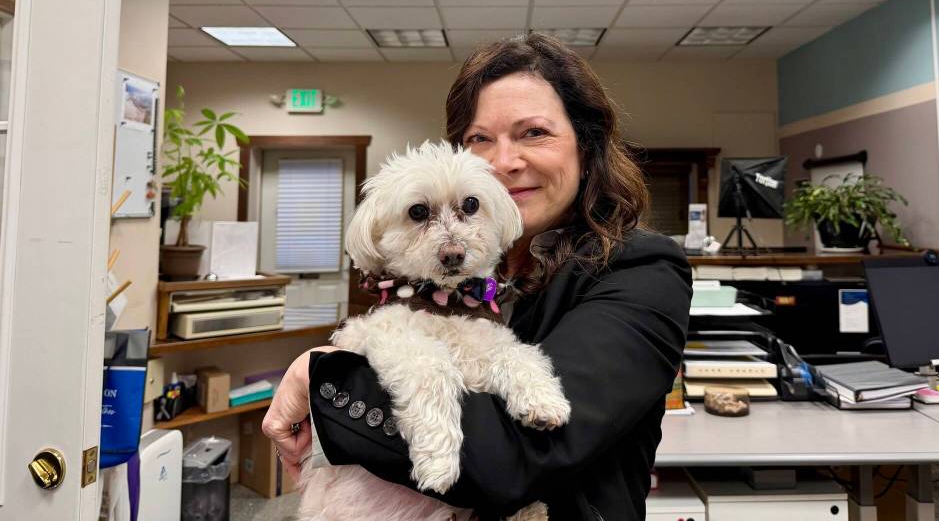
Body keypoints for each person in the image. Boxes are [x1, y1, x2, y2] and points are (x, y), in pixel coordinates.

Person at [263, 33, 692, 520]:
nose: (503, 162)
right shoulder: (455, 278)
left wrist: (318, 376)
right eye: (479, 138)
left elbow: (513, 457)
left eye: (533, 133)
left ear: (586, 144)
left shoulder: (641, 269)